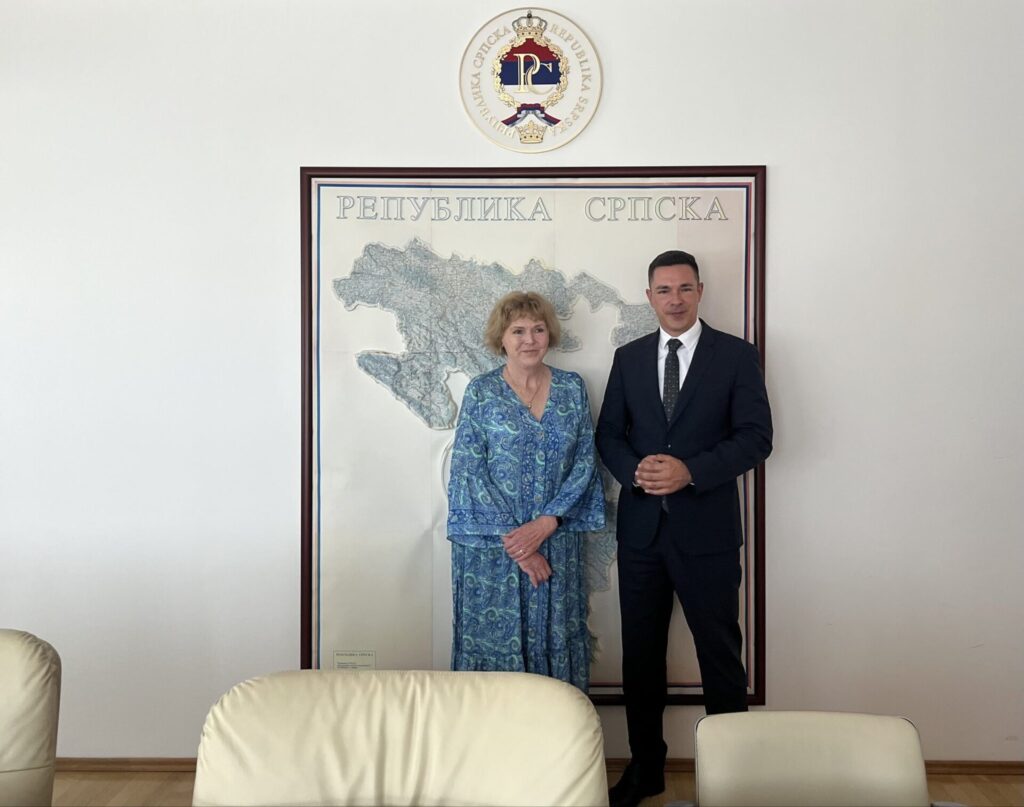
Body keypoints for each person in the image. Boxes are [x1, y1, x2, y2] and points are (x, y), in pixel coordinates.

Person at [596, 250, 773, 807]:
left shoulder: (737, 357)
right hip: (642, 534)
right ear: (649, 297)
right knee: (640, 658)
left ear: (701, 291)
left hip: (708, 536)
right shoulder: (627, 358)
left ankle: (731, 774)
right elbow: (609, 437)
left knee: (719, 655)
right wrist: (637, 474)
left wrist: (691, 471)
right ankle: (647, 769)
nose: (675, 299)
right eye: (664, 290)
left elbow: (756, 437)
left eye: (684, 289)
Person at [446, 291, 605, 692]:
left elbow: (585, 461)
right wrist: (519, 544)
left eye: (537, 329)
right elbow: (468, 470)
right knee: (493, 651)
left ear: (548, 335)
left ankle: (556, 751)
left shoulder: (571, 388)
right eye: (518, 330)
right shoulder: (481, 392)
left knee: (556, 643)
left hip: (557, 543)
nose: (529, 339)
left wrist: (546, 524)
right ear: (501, 338)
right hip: (493, 552)